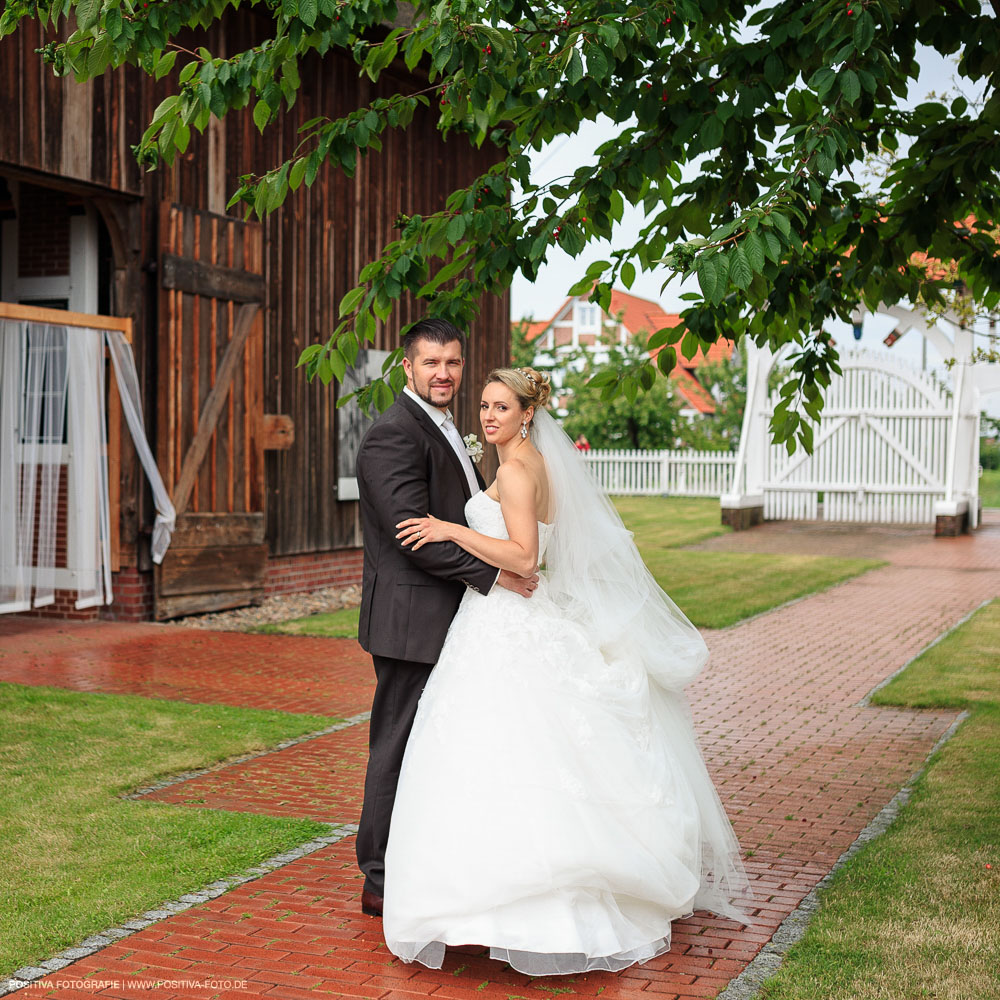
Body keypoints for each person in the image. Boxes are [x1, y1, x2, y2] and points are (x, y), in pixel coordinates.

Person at [380, 366, 751, 975]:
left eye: (502, 407)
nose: (489, 416)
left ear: (528, 414)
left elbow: (525, 556)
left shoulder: (520, 470)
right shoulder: (523, 462)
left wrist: (449, 527)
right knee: (497, 751)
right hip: (502, 615)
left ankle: (528, 904)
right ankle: (479, 901)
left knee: (514, 749)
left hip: (506, 618)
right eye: (484, 406)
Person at [354, 320, 538, 919]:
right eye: (431, 362)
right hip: (412, 620)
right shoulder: (392, 436)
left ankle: (423, 859)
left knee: (436, 745)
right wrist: (495, 576)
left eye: (453, 363)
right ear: (407, 367)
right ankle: (379, 877)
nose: (444, 373)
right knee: (397, 744)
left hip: (451, 620)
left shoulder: (443, 429)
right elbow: (415, 537)